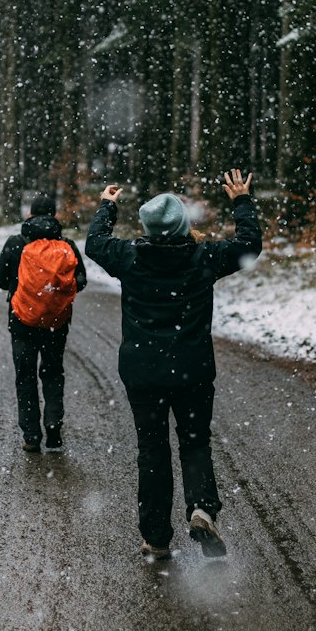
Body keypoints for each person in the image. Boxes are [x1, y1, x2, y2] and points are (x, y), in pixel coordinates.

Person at [85, 170, 261, 558]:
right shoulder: (204, 257)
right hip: (192, 370)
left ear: (148, 227)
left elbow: (94, 244)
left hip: (142, 372)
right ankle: (201, 508)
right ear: (183, 224)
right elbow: (250, 244)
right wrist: (242, 201)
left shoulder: (130, 256)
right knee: (195, 444)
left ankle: (157, 537)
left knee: (152, 451)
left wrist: (107, 206)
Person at [0, 193, 87, 452]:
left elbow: (2, 280)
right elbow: (80, 280)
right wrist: (54, 295)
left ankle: (31, 436)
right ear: (54, 215)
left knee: (25, 377)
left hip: (22, 322)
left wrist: (22, 288)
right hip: (56, 322)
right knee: (53, 372)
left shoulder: (15, 243)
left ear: (30, 214)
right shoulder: (67, 244)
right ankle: (53, 424)